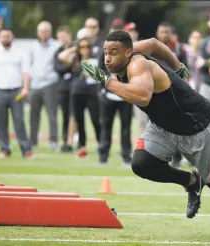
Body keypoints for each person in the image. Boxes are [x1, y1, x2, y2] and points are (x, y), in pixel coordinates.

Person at [81, 31, 210, 236]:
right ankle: (190, 181)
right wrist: (178, 66)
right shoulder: (124, 56)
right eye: (106, 52)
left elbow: (143, 97)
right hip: (163, 124)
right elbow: (153, 43)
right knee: (141, 164)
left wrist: (107, 82)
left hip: (196, 124)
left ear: (128, 52)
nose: (107, 58)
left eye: (113, 53)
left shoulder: (137, 64)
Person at [0, 28, 33, 159]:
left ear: (12, 37)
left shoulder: (20, 53)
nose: (5, 38)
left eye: (7, 36)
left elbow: (25, 72)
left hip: (16, 91)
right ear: (0, 39)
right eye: (3, 36)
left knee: (19, 121)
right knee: (0, 122)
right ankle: (5, 149)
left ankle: (26, 150)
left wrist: (25, 88)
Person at [58, 37, 101, 158]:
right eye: (82, 46)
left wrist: (92, 71)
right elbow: (61, 56)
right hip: (77, 92)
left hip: (92, 93)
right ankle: (82, 146)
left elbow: (99, 76)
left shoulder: (95, 59)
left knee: (95, 119)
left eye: (87, 46)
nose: (85, 49)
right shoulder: (75, 59)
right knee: (79, 120)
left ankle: (101, 143)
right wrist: (74, 48)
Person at [97, 24, 133, 166]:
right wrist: (102, 88)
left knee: (126, 128)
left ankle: (126, 156)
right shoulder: (104, 53)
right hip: (108, 95)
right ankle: (103, 157)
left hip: (125, 95)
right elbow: (100, 72)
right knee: (106, 126)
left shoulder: (128, 53)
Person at [156, 21, 188, 168]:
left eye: (166, 32)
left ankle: (177, 157)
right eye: (161, 32)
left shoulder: (179, 50)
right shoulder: (153, 50)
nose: (164, 35)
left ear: (171, 33)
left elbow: (186, 71)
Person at [29, 21, 61, 150]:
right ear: (38, 33)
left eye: (46, 30)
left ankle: (53, 141)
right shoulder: (33, 46)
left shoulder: (56, 46)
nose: (43, 33)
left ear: (50, 32)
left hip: (50, 83)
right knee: (33, 114)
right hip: (35, 84)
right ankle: (33, 142)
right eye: (41, 31)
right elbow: (30, 64)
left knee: (52, 114)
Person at [54, 25, 76, 153]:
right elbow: (57, 67)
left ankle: (72, 141)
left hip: (74, 85)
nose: (62, 38)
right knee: (65, 114)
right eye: (60, 36)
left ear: (69, 34)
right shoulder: (58, 51)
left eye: (64, 35)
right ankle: (64, 140)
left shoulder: (76, 47)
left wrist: (67, 65)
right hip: (63, 87)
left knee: (74, 115)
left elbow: (75, 66)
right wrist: (68, 66)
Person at [125, 22, 149, 134]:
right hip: (127, 87)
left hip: (141, 87)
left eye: (134, 31)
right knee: (130, 120)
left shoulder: (143, 47)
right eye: (130, 31)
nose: (132, 33)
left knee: (145, 119)